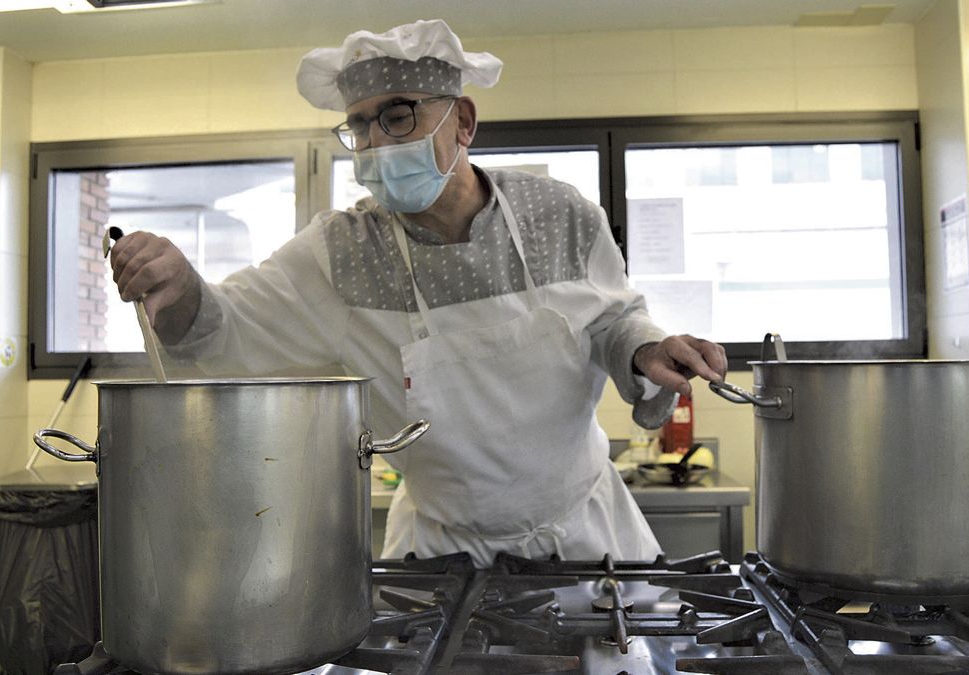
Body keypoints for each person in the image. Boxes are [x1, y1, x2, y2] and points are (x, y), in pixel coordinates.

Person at [108, 19, 727, 568]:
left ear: (462, 120)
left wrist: (647, 349)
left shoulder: (560, 215)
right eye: (359, 124)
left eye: (398, 114)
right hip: (438, 554)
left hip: (589, 538)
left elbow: (614, 319)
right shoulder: (340, 255)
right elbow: (225, 327)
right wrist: (182, 285)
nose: (377, 142)